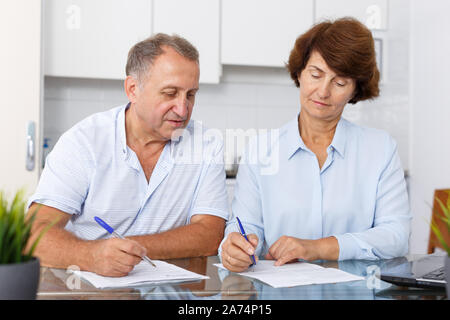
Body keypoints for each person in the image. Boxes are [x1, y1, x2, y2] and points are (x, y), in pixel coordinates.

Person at [27, 33, 229, 277]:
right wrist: (91, 255)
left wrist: (126, 249)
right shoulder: (83, 142)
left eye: (191, 94)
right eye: (169, 93)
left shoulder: (206, 145)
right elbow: (34, 234)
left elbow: (209, 235)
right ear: (132, 89)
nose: (183, 108)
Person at [219, 18, 412, 272]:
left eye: (340, 82)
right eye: (316, 74)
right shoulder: (260, 150)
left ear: (355, 90)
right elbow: (246, 225)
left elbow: (396, 236)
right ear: (299, 72)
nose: (323, 91)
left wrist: (318, 247)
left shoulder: (380, 149)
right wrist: (236, 245)